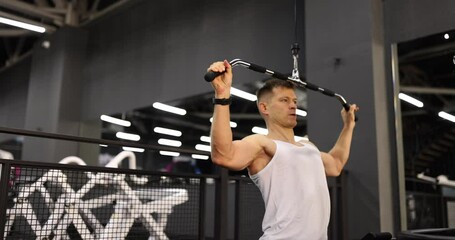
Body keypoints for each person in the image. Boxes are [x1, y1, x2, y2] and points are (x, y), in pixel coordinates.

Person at [207, 60, 359, 240]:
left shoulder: (308, 146)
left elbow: (336, 164)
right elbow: (223, 155)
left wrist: (349, 125)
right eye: (284, 100)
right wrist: (222, 95)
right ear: (264, 108)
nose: (293, 105)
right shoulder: (263, 144)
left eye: (294, 100)